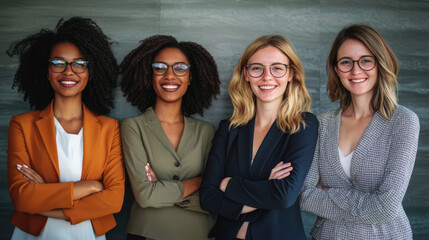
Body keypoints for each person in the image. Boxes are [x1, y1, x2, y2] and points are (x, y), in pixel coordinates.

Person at [6, 17, 125, 239]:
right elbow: (21, 197)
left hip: (87, 233)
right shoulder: (22, 125)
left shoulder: (109, 129)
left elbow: (114, 200)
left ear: (90, 73)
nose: (69, 71)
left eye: (79, 63)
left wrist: (43, 201)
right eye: (58, 63)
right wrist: (89, 187)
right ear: (46, 71)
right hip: (34, 234)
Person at [300, 24, 420, 239]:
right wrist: (367, 203)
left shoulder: (403, 121)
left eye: (365, 60)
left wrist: (326, 192)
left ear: (379, 64)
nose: (356, 71)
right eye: (346, 62)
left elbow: (386, 208)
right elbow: (305, 196)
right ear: (337, 69)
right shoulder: (322, 123)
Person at [200, 35, 319, 240]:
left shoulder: (303, 125)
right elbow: (208, 198)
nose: (267, 77)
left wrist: (229, 185)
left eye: (277, 68)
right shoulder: (229, 129)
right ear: (246, 74)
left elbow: (284, 196)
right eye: (257, 68)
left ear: (291, 74)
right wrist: (266, 187)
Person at [120, 35, 221, 240]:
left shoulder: (205, 131)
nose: (170, 75)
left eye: (180, 68)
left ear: (190, 77)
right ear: (150, 75)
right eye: (160, 67)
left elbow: (213, 196)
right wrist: (199, 181)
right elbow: (145, 195)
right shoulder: (133, 127)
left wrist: (161, 190)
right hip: (146, 233)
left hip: (198, 233)